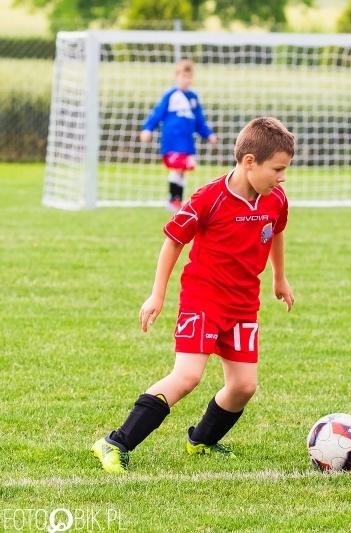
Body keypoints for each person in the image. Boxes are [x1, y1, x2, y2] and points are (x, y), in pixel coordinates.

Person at [92, 117, 296, 474]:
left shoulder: (275, 198)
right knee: (187, 376)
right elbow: (172, 242)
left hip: (244, 303)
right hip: (203, 299)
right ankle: (114, 442)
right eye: (277, 169)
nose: (282, 177)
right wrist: (157, 295)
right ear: (249, 162)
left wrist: (279, 278)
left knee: (244, 386)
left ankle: (200, 441)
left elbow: (275, 232)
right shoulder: (209, 198)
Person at [141, 59, 218, 212]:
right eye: (183, 76)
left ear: (192, 78)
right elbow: (158, 113)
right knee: (177, 168)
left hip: (186, 142)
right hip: (172, 141)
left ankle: (177, 200)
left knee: (182, 170)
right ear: (176, 77)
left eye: (189, 77)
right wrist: (148, 128)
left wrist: (208, 134)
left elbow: (199, 121)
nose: (186, 80)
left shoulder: (193, 98)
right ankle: (173, 200)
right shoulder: (171, 95)